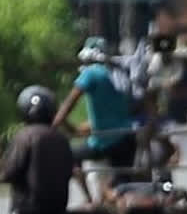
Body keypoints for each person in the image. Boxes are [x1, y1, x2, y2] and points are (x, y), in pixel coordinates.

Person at [0, 85, 91, 214]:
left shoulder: (23, 137)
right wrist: (89, 198)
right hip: (57, 208)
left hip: (29, 210)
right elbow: (73, 171)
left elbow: (7, 173)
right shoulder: (61, 139)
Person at [52, 37, 139, 198]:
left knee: (68, 157)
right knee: (123, 186)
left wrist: (55, 125)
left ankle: (89, 199)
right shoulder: (118, 71)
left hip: (104, 141)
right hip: (127, 139)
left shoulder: (91, 73)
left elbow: (69, 103)